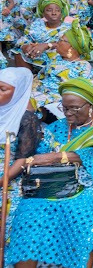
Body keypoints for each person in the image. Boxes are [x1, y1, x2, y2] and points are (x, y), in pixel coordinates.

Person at [6, 78, 93, 268]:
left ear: (90, 105)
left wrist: (57, 157)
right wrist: (49, 159)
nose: (68, 113)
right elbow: (39, 154)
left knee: (82, 213)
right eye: (65, 107)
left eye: (75, 108)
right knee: (31, 210)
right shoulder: (57, 126)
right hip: (53, 180)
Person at [0, 67, 41, 241]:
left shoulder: (26, 119)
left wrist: (3, 180)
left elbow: (23, 160)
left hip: (10, 173)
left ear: (18, 93)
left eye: (3, 89)